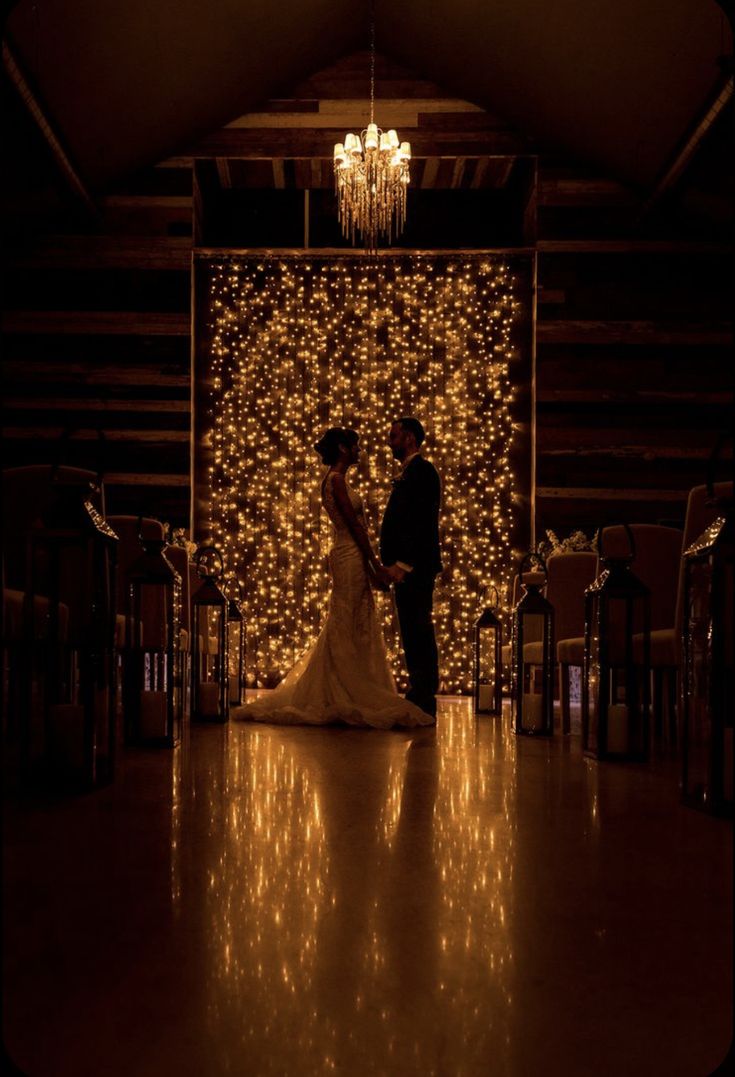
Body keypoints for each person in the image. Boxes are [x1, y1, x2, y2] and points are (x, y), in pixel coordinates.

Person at [232, 427, 434, 729]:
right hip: (350, 555)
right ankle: (347, 689)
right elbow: (355, 528)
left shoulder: (331, 481)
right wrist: (376, 566)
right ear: (342, 448)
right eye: (356, 445)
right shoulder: (337, 482)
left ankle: (346, 685)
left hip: (346, 555)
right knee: (347, 619)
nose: (360, 450)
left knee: (350, 619)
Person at [380, 418, 442, 719]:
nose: (389, 442)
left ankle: (424, 695)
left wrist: (403, 564)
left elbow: (420, 523)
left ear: (409, 438)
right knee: (411, 629)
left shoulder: (423, 472)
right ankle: (418, 692)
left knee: (418, 628)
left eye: (393, 436)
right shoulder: (410, 473)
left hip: (414, 568)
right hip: (407, 568)